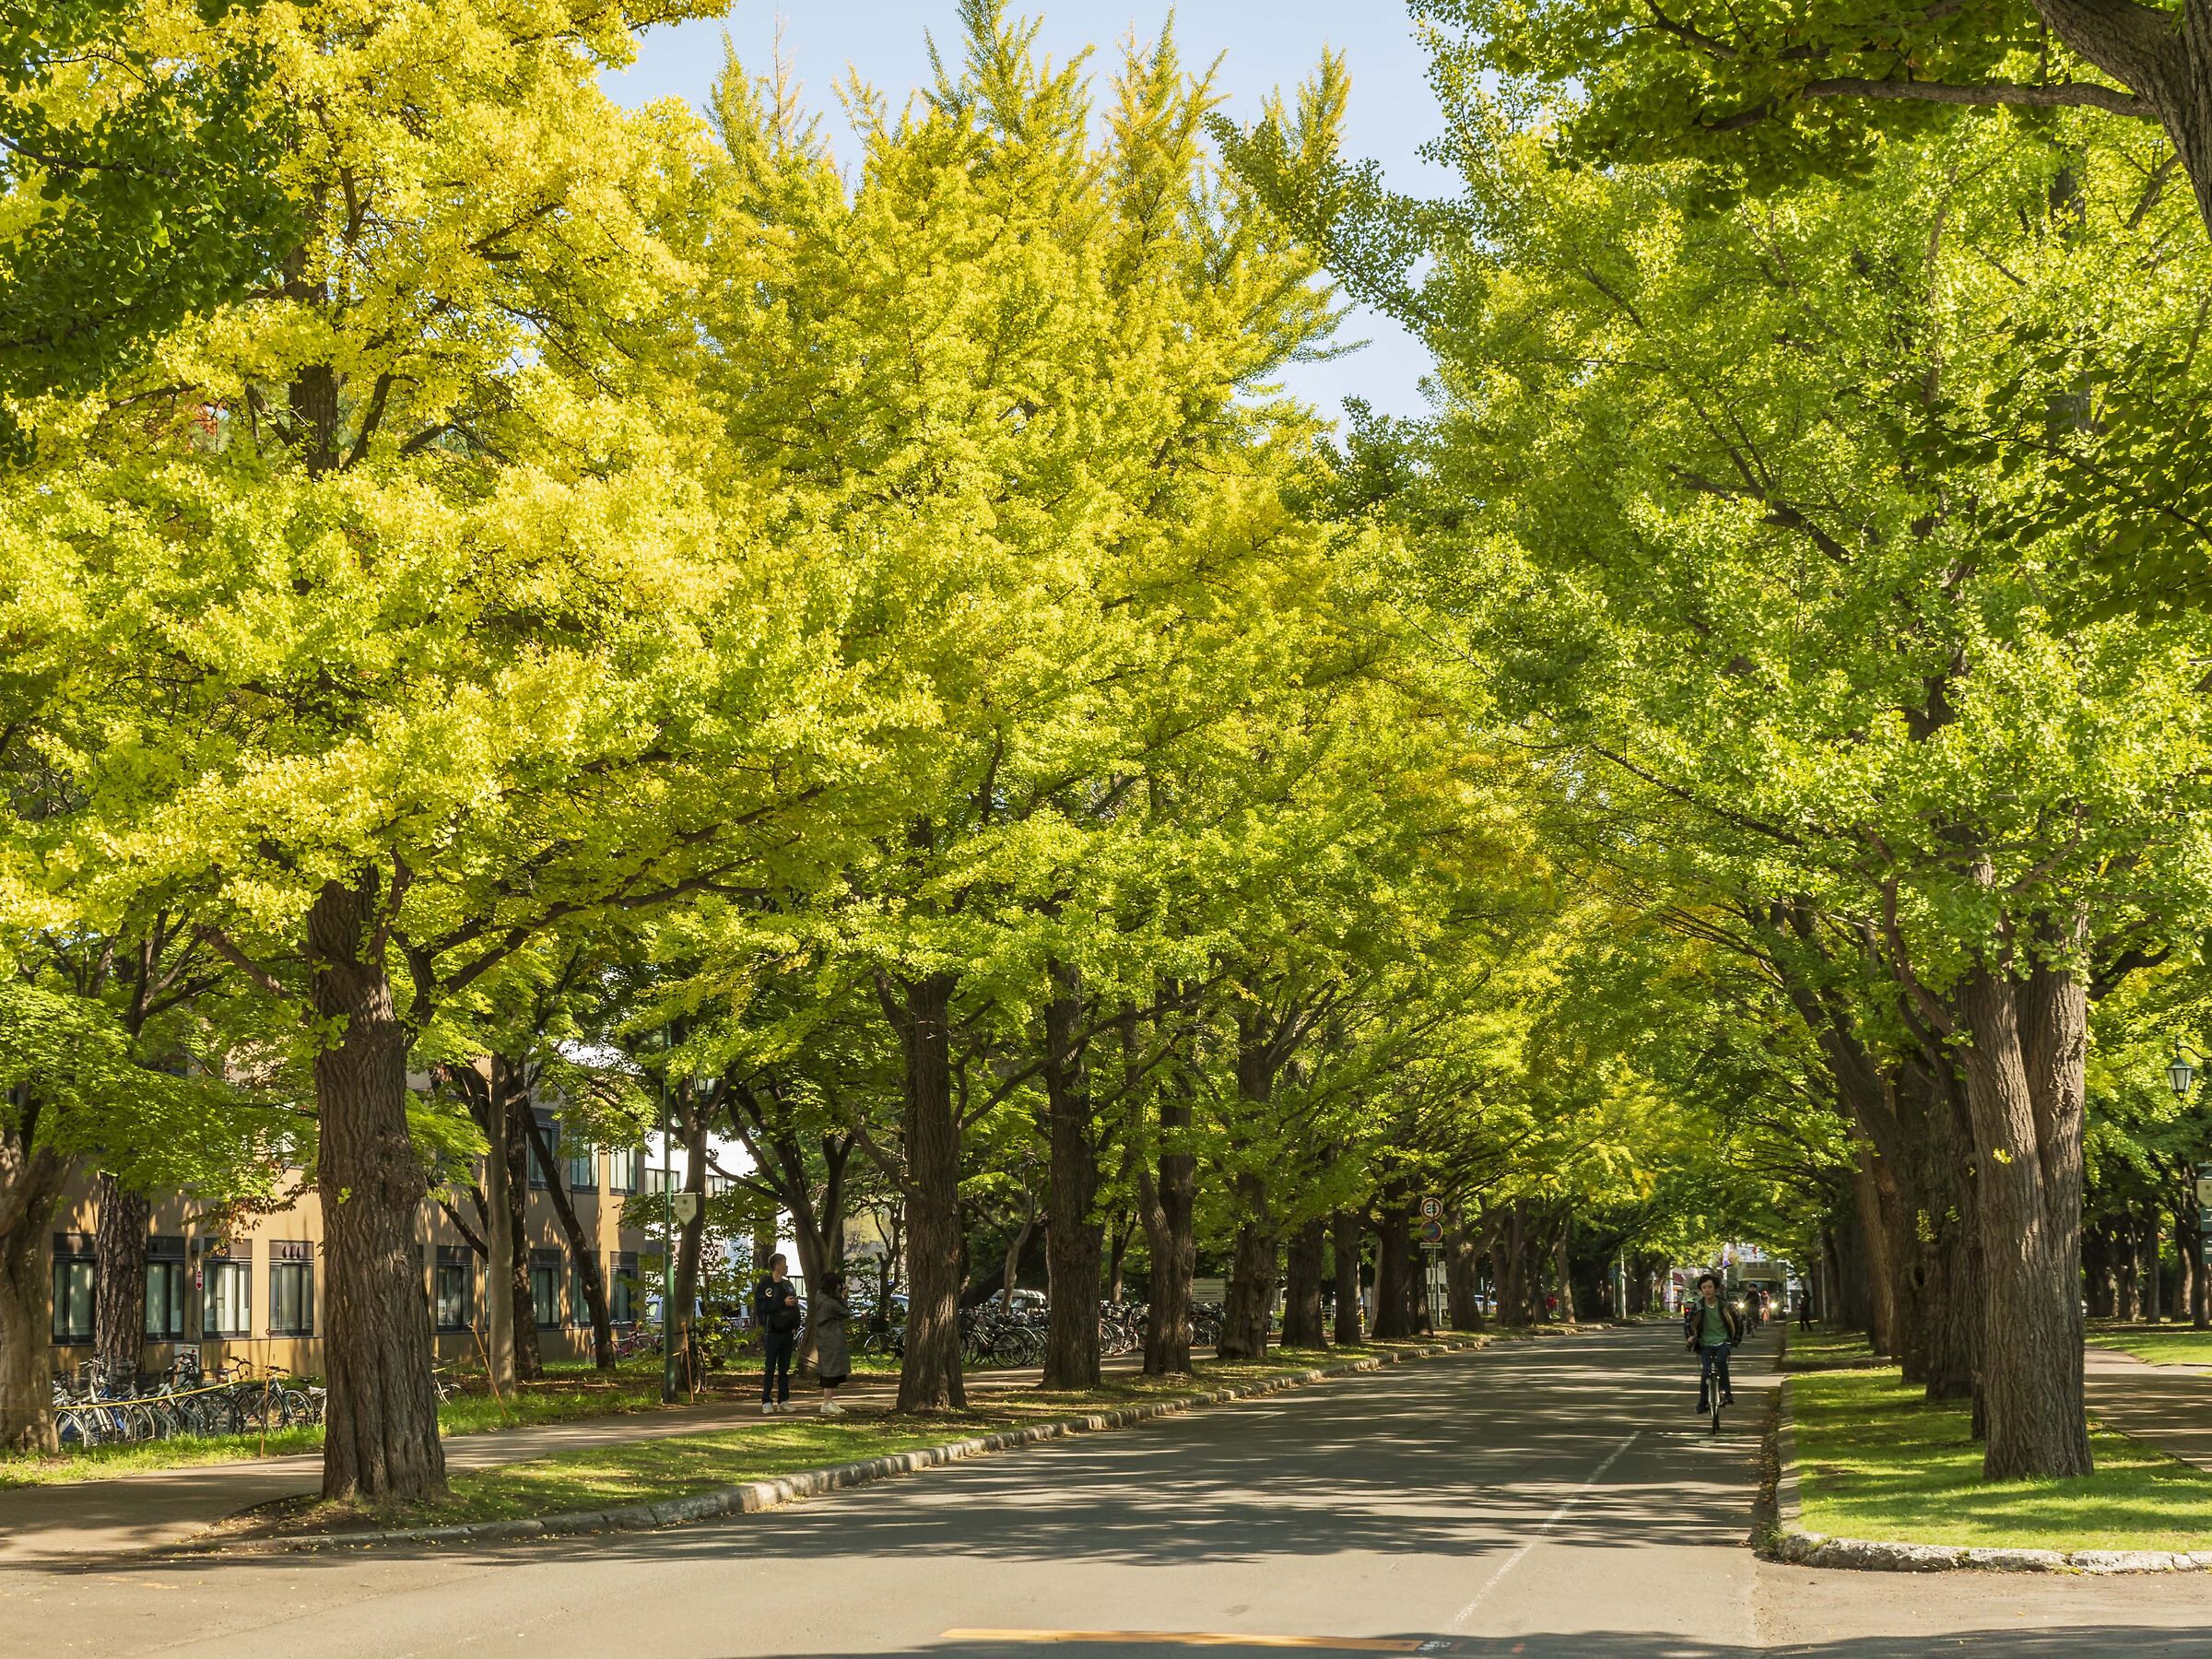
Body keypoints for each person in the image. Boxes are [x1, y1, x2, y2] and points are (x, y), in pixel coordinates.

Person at [1683, 1272, 1743, 1412]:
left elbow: (1738, 1322)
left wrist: (1735, 1340)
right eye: (1704, 1287)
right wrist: (1690, 1337)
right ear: (1700, 1290)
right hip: (1704, 1344)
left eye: (1710, 1287)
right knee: (1706, 1371)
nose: (1707, 1290)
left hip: (1723, 1342)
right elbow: (1688, 1324)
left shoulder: (1725, 1305)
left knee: (1721, 1361)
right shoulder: (1697, 1306)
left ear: (1715, 1289)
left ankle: (1727, 1393)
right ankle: (1702, 1401)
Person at [754, 1253, 803, 1415]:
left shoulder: (788, 1285)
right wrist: (781, 1303)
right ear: (776, 1265)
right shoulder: (765, 1285)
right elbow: (762, 1307)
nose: (786, 1266)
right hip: (772, 1331)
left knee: (784, 1368)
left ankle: (784, 1399)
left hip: (787, 1332)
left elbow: (794, 1306)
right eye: (784, 1263)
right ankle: (766, 1400)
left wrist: (796, 1324)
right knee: (770, 1367)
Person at [812, 1270, 852, 1417]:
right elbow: (845, 1312)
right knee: (831, 1371)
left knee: (828, 1368)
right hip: (831, 1337)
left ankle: (829, 1401)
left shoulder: (819, 1296)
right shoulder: (830, 1303)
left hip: (824, 1336)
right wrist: (843, 1297)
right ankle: (827, 1402)